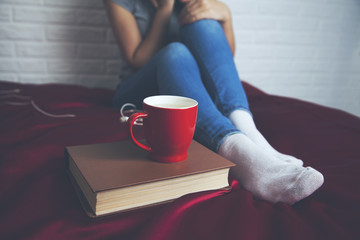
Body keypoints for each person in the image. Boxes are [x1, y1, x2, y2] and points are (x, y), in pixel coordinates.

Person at [104, 0, 324, 205]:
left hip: (187, 87)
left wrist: (225, 17)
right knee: (175, 52)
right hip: (140, 90)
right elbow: (136, 59)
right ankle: (240, 152)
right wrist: (166, 8)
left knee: (204, 22)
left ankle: (250, 134)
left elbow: (219, 61)